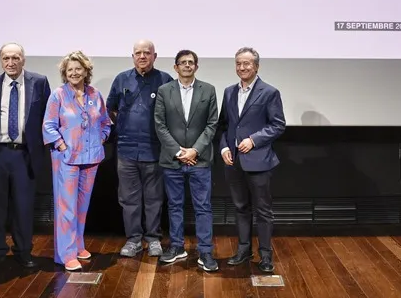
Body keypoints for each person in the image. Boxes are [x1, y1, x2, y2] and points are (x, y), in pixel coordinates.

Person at [0, 42, 51, 270]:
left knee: (24, 206)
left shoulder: (39, 82)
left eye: (15, 58)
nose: (11, 62)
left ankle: (23, 251)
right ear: (1, 61)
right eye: (6, 58)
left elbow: (46, 115)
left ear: (23, 60)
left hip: (24, 154)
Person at [218, 47, 286, 273]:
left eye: (247, 63)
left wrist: (254, 140)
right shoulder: (229, 92)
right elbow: (224, 126)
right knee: (240, 207)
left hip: (259, 160)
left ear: (256, 66)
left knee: (263, 210)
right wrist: (224, 147)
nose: (242, 67)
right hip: (234, 161)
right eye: (238, 63)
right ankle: (243, 250)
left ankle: (265, 255)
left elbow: (278, 124)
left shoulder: (269, 92)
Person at [42, 50, 111, 271]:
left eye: (78, 69)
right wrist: (62, 146)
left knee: (82, 207)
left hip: (91, 158)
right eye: (69, 70)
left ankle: (79, 245)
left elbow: (106, 123)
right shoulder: (58, 95)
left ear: (86, 71)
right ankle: (67, 254)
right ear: (64, 73)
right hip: (67, 159)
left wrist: (100, 140)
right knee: (67, 209)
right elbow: (48, 126)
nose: (73, 73)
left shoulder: (95, 94)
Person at [153, 50, 219, 272]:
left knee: (203, 207)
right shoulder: (164, 90)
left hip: (199, 161)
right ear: (176, 67)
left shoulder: (208, 90)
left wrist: (195, 151)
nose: (187, 66)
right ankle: (177, 247)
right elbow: (159, 124)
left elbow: (212, 124)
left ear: (196, 67)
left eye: (191, 63)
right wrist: (179, 152)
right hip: (172, 161)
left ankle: (206, 251)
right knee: (174, 206)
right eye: (183, 62)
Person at [106, 39, 173, 258]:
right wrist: (123, 128)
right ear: (132, 56)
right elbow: (111, 108)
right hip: (126, 150)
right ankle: (133, 239)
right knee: (129, 199)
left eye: (147, 52)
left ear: (155, 56)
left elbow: (173, 113)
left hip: (154, 151)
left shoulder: (165, 80)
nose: (142, 56)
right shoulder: (121, 79)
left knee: (154, 198)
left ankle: (153, 239)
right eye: (138, 53)